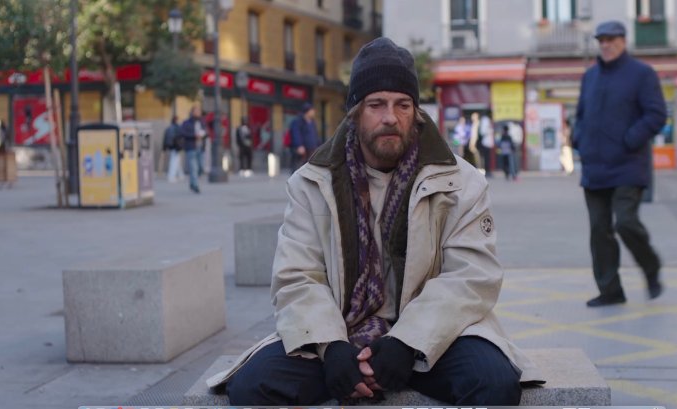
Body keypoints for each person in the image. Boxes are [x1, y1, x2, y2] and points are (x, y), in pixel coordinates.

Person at [210, 37, 543, 406]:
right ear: (354, 112)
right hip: (339, 333)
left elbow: (472, 276)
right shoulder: (312, 182)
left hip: (435, 337)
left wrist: (407, 341)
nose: (390, 117)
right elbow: (297, 276)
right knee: (253, 385)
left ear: (416, 112)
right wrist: (331, 347)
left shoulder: (461, 182)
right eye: (376, 104)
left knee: (494, 382)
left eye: (403, 105)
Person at [573, 20, 666, 307]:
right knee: (599, 231)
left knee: (626, 223)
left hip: (628, 165)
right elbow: (581, 115)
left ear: (623, 41)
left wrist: (630, 139)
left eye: (611, 40)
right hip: (594, 167)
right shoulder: (590, 76)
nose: (605, 45)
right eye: (601, 40)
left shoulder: (642, 74)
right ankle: (610, 290)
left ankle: (651, 267)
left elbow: (656, 114)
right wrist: (578, 140)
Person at [180, 106, 207, 193]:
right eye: (196, 111)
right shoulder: (187, 123)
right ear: (192, 112)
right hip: (191, 147)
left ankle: (192, 182)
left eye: (199, 111)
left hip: (200, 147)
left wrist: (203, 135)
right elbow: (183, 133)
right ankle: (195, 185)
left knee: (200, 167)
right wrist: (194, 135)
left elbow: (206, 132)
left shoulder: (202, 122)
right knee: (193, 167)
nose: (198, 113)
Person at [289, 102, 320, 174]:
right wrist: (299, 145)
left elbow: (315, 135)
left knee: (309, 169)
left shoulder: (312, 122)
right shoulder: (298, 121)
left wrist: (318, 146)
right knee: (298, 169)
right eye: (312, 110)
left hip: (311, 149)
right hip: (302, 149)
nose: (314, 112)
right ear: (307, 111)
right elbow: (296, 134)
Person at [163, 116, 183, 183]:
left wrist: (164, 147)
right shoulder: (177, 128)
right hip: (175, 146)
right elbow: (179, 137)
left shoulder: (168, 128)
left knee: (177, 160)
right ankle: (171, 176)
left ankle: (180, 175)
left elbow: (165, 138)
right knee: (174, 161)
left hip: (170, 146)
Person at [477, 112, 495, 177]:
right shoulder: (485, 120)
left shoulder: (485, 120)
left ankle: (487, 171)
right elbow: (483, 132)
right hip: (485, 143)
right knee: (486, 158)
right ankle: (487, 171)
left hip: (486, 143)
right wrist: (490, 130)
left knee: (486, 158)